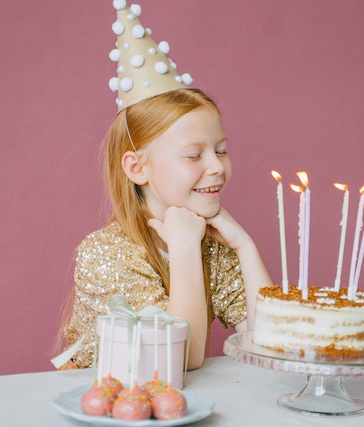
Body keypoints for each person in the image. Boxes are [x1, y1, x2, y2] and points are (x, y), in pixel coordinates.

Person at [56, 2, 272, 371]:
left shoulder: (215, 248)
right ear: (138, 167)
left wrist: (245, 247)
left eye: (221, 150)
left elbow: (270, 341)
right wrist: (185, 246)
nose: (217, 166)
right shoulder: (106, 253)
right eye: (193, 156)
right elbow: (179, 358)